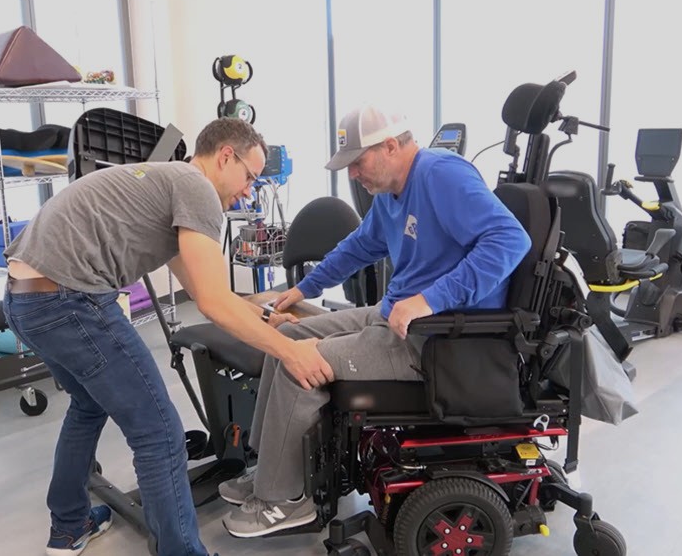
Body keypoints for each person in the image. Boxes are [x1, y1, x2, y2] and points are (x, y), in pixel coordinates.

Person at [1, 118, 333, 556]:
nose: (250, 190)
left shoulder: (163, 182)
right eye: (250, 177)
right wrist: (290, 352)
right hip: (70, 300)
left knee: (86, 407)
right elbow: (213, 304)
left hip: (24, 299)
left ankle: (69, 526)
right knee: (158, 433)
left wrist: (262, 312)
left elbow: (204, 289)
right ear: (225, 156)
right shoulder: (196, 189)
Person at [220, 104, 533, 537]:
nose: (352, 175)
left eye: (357, 163)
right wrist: (303, 289)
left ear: (390, 146)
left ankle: (285, 501)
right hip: (396, 318)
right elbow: (359, 246)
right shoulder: (390, 195)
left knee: (300, 370)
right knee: (287, 343)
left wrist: (428, 299)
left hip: (438, 338)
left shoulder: (443, 174)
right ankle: (268, 472)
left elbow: (510, 239)